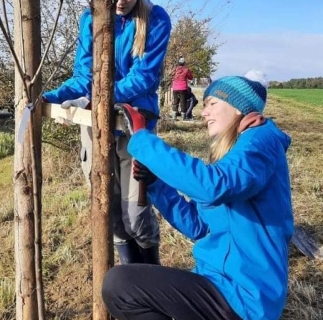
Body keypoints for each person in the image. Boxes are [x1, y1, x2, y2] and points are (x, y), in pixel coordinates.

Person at [103, 73, 294, 319]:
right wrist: (157, 185)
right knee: (125, 285)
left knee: (121, 284)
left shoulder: (260, 141)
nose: (204, 113)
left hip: (244, 298)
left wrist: (143, 140)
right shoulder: (234, 153)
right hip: (219, 283)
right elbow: (199, 226)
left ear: (238, 108)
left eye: (212, 103)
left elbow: (213, 185)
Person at [43, 0, 172, 265]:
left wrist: (95, 99)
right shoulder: (90, 18)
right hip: (96, 126)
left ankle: (152, 277)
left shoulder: (155, 18)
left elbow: (143, 77)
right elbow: (83, 74)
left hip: (134, 124)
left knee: (135, 215)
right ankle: (131, 281)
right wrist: (50, 98)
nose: (121, 1)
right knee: (109, 212)